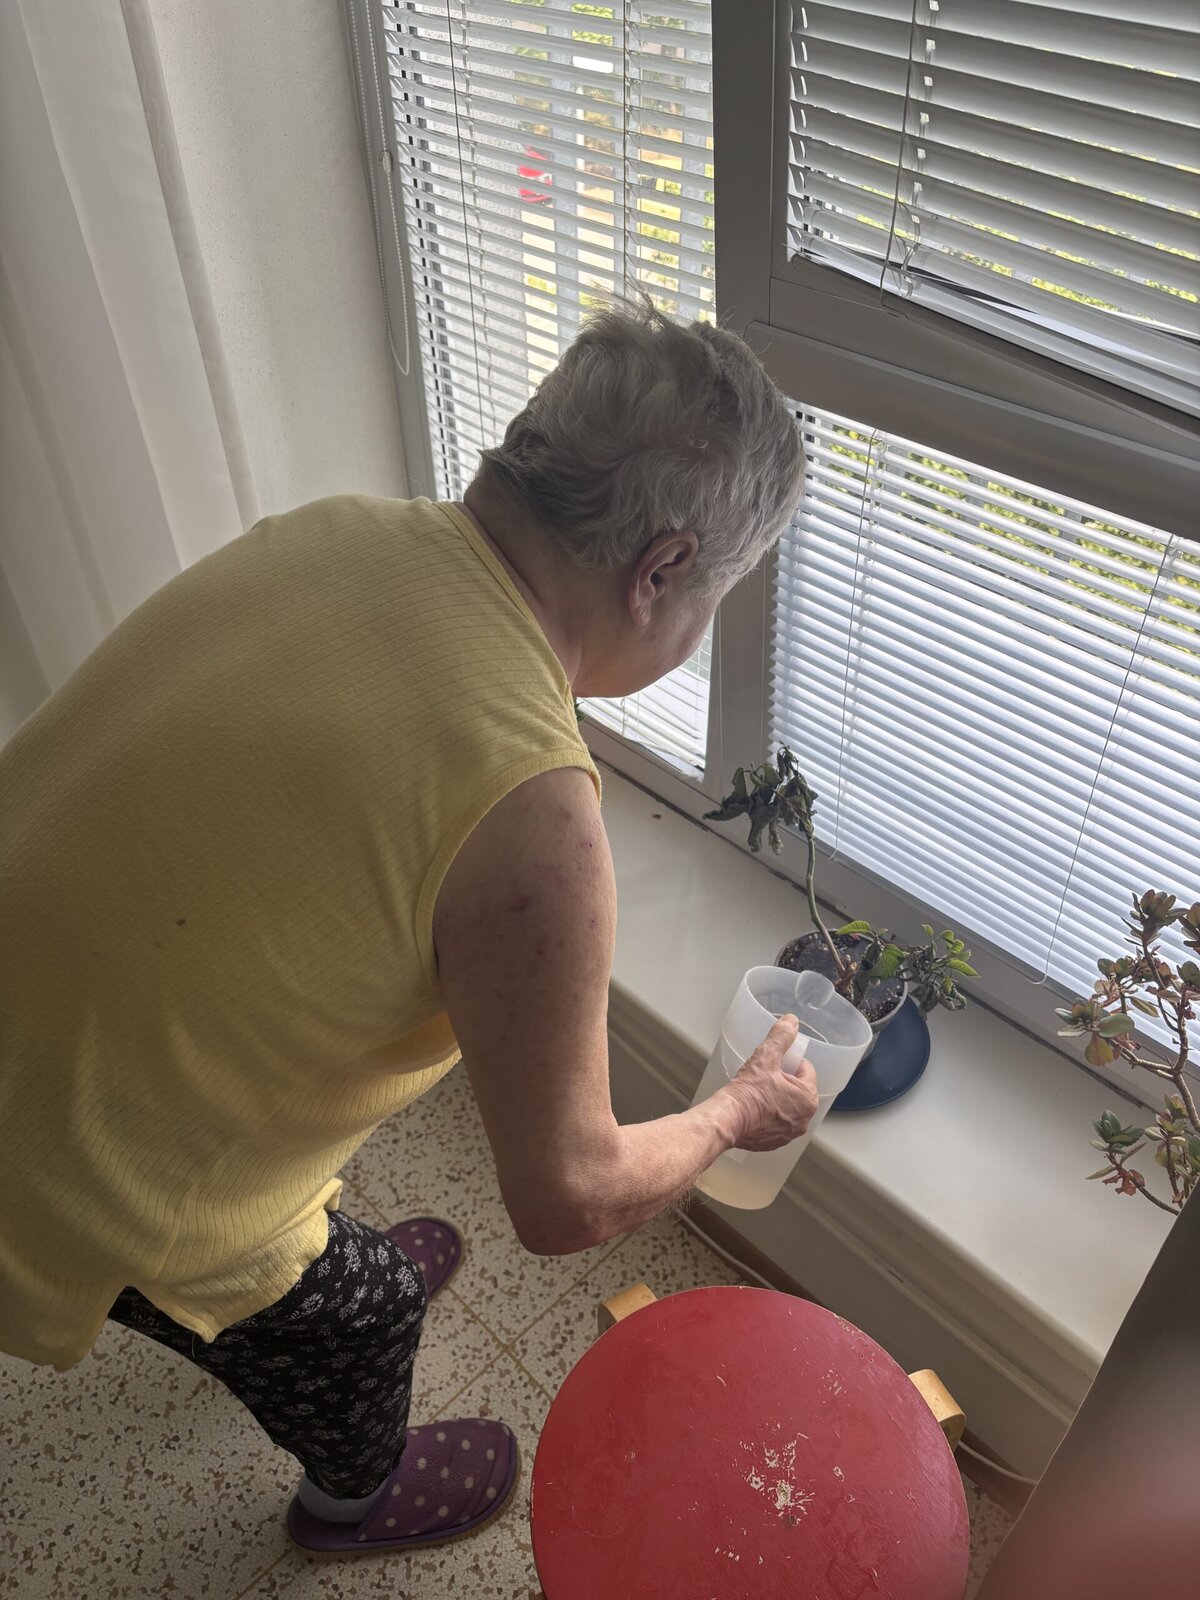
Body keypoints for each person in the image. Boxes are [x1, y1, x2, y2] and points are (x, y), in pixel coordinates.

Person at [0, 299, 816, 1556]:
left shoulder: (341, 532)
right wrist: (734, 1111)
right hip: (56, 1165)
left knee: (338, 1201)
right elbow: (566, 1197)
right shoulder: (536, 819)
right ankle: (354, 1500)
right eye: (716, 595)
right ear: (659, 571)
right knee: (367, 1308)